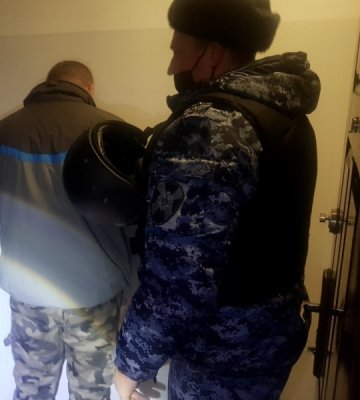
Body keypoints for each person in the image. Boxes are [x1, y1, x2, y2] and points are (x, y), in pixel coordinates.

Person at [113, 1, 321, 399]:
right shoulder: (285, 110)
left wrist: (128, 368)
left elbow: (177, 284)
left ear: (211, 53)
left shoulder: (207, 129)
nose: (171, 68)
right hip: (267, 343)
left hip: (218, 362)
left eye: (177, 51)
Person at [0, 60, 137, 400]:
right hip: (94, 296)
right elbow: (136, 221)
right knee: (91, 393)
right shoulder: (110, 131)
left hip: (30, 297)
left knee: (31, 391)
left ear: (48, 83)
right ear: (89, 88)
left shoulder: (4, 132)